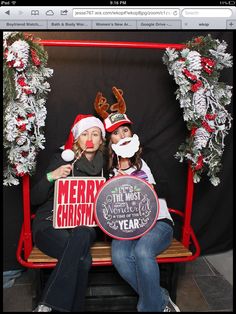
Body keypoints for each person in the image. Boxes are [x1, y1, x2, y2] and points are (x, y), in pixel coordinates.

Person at [104, 112, 181, 312]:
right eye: (115, 133)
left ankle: (150, 308)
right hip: (127, 226)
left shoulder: (148, 158)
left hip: (158, 222)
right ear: (109, 140)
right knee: (119, 256)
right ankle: (161, 298)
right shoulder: (108, 170)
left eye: (125, 130)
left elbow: (170, 189)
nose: (122, 136)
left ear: (132, 132)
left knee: (143, 251)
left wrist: (142, 186)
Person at [31, 114, 107, 312]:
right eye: (84, 134)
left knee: (81, 235)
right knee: (82, 258)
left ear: (101, 140)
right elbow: (34, 199)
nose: (89, 139)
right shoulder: (62, 159)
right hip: (50, 223)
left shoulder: (107, 166)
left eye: (95, 134)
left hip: (85, 226)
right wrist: (52, 176)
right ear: (77, 138)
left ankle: (47, 304)